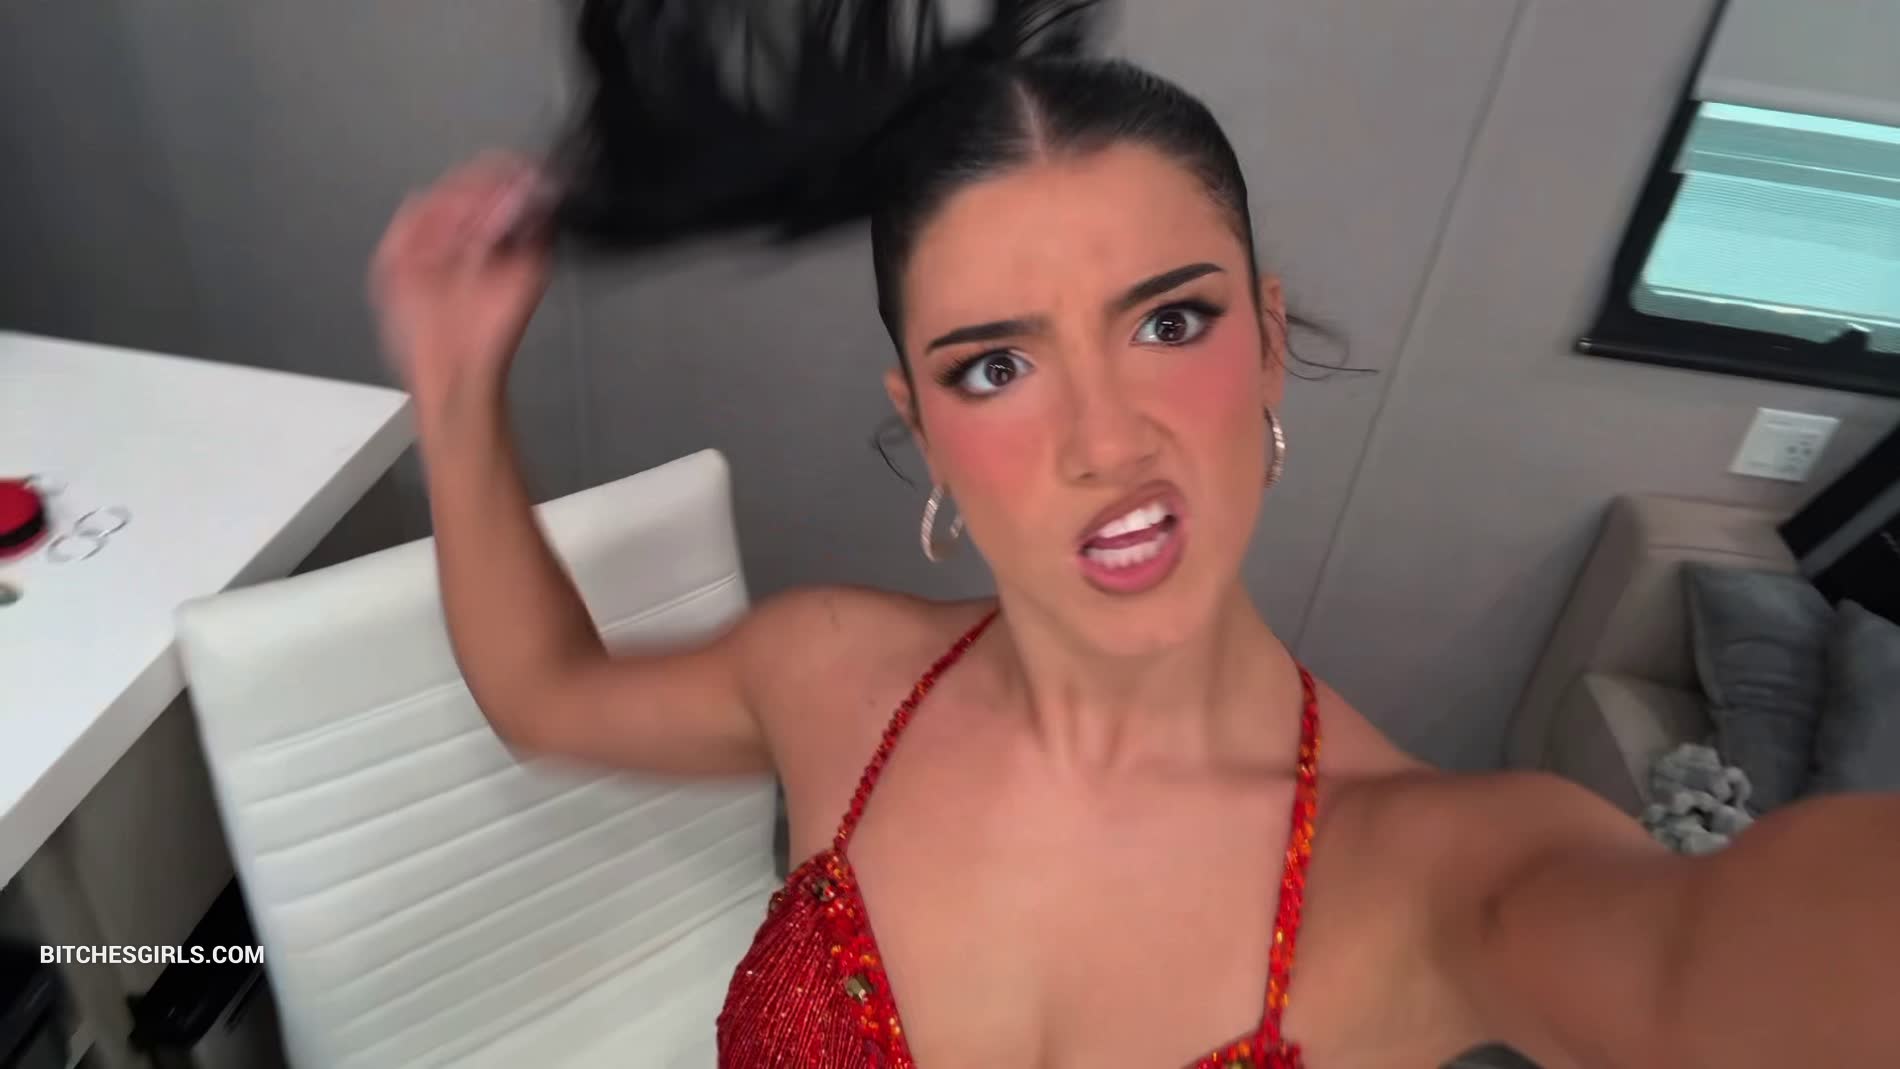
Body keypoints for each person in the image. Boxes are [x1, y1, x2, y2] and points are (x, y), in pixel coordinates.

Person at [369, 53, 1898, 1069]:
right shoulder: (829, 669)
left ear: (1269, 339)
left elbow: (1718, 970)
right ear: (922, 422)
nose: (1105, 437)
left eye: (1171, 321)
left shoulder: (1437, 871)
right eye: (994, 366)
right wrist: (453, 378)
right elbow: (546, 692)